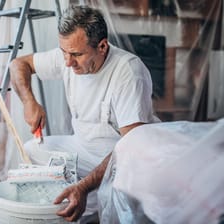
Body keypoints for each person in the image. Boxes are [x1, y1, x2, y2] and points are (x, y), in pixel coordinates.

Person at [10, 5, 159, 222]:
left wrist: (84, 185)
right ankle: (84, 201)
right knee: (31, 150)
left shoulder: (128, 73)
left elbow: (131, 148)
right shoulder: (68, 56)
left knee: (118, 205)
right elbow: (18, 64)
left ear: (102, 46)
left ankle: (89, 201)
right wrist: (28, 101)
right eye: (64, 53)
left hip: (122, 160)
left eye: (77, 55)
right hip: (82, 147)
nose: (68, 62)